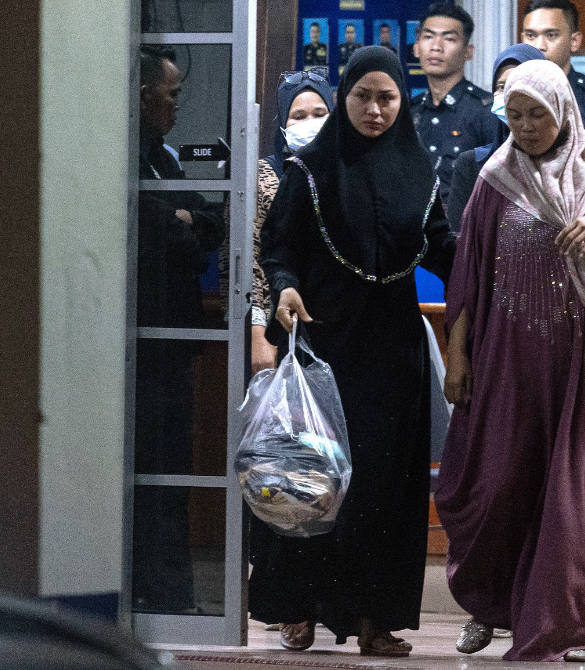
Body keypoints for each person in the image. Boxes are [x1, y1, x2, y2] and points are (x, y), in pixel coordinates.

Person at [252, 46, 456, 657]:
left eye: (387, 98)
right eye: (362, 97)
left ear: (402, 101)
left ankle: (374, 619)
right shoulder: (310, 168)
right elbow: (278, 247)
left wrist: (493, 264)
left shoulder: (420, 170)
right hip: (323, 343)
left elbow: (441, 244)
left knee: (383, 487)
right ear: (344, 97)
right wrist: (285, 287)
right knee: (311, 478)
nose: (374, 109)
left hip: (393, 351)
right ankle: (299, 608)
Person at [436, 59, 585, 662]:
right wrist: (457, 356)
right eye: (515, 114)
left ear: (563, 108)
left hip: (581, 360)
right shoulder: (493, 179)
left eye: (538, 113)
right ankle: (492, 607)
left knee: (570, 495)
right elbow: (468, 276)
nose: (528, 126)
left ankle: (575, 624)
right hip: (508, 359)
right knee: (496, 485)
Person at [133, 44, 228, 613]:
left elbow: (208, 226)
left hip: (174, 343)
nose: (176, 108)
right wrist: (184, 224)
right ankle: (154, 593)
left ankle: (172, 595)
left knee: (171, 472)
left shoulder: (164, 159)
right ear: (144, 98)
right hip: (138, 341)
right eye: (171, 97)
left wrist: (187, 221)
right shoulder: (124, 157)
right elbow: (163, 235)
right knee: (146, 472)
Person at [251, 71, 335, 375]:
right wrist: (257, 332)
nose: (310, 123)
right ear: (283, 124)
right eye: (298, 116)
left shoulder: (346, 172)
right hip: (278, 327)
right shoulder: (261, 177)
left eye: (319, 114)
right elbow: (249, 261)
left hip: (335, 321)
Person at [447, 43, 546, 232]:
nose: (509, 94)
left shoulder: (567, 166)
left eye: (521, 85)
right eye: (501, 86)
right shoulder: (472, 164)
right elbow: (460, 241)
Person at [410, 3, 499, 208]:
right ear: (416, 48)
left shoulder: (487, 111)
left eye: (449, 39)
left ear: (469, 52)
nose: (436, 46)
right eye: (428, 36)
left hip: (465, 232)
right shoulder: (409, 112)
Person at [522, 0, 585, 143]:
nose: (539, 46)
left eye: (551, 35)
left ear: (574, 41)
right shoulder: (513, 96)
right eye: (531, 36)